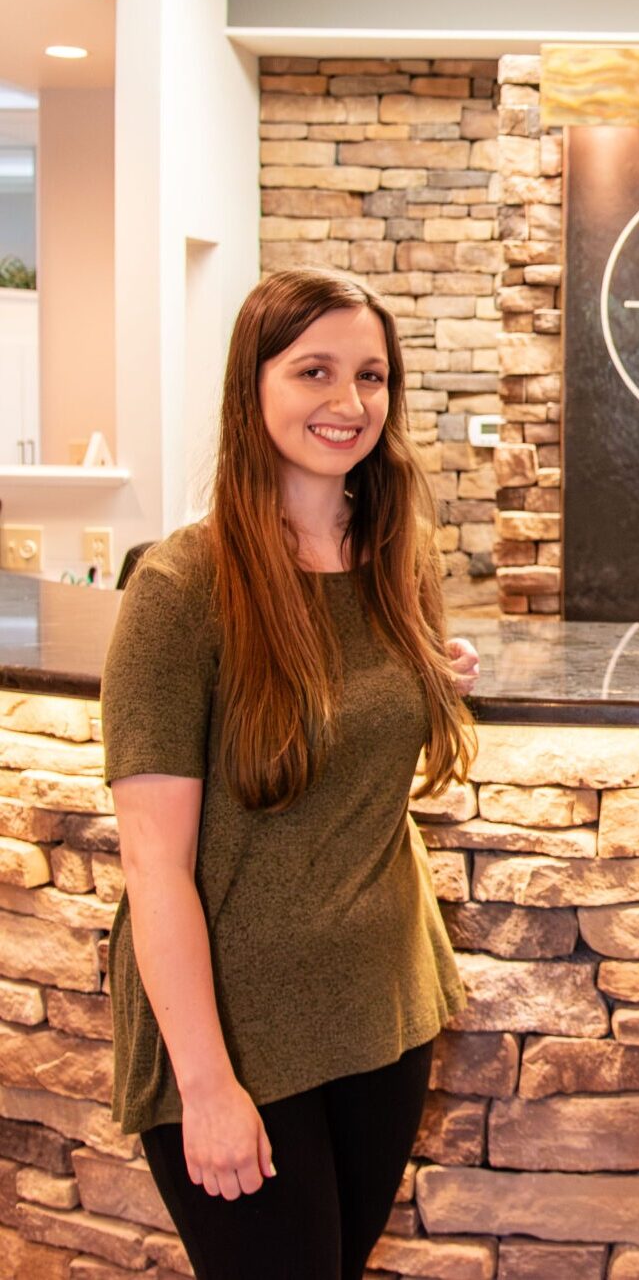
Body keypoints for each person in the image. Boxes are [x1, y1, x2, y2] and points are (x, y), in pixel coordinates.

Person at [102, 267, 481, 1280]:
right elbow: (153, 867)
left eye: (371, 375)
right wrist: (207, 1081)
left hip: (380, 1011)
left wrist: (421, 677)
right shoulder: (182, 586)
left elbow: (356, 734)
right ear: (251, 384)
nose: (349, 402)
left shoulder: (395, 555)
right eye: (313, 370)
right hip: (240, 1038)